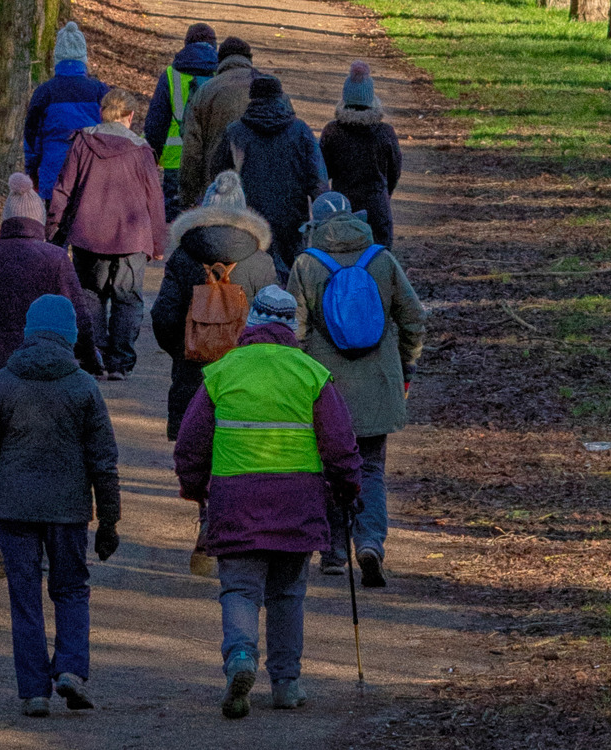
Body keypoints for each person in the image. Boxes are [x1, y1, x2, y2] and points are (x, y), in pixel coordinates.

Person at [173, 286, 362, 719]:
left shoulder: (223, 371)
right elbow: (339, 443)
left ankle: (241, 658)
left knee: (239, 588)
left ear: (252, 322)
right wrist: (348, 490)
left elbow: (191, 443)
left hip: (236, 500)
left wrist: (194, 487)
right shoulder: (311, 373)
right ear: (292, 326)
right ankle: (286, 685)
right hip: (298, 503)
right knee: (288, 593)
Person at [0, 294, 122, 718]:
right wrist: (108, 521)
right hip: (67, 512)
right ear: (70, 335)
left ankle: (34, 691)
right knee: (70, 590)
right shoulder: (84, 385)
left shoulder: (1, 383)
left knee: (25, 598)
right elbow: (103, 462)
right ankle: (70, 668)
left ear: (29, 333)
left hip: (11, 510)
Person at [286, 197, 425, 585]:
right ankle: (369, 543)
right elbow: (413, 318)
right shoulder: (381, 259)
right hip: (379, 384)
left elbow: (294, 331)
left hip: (325, 387)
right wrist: (405, 364)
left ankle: (332, 551)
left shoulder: (306, 264)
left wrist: (301, 379)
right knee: (371, 468)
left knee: (328, 468)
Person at [47, 88, 167, 381]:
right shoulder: (141, 150)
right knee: (127, 298)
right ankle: (120, 363)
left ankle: (95, 354)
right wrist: (158, 241)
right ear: (131, 116)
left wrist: (53, 228)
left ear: (102, 111)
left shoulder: (83, 142)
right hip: (132, 237)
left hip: (89, 234)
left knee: (90, 294)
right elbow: (155, 199)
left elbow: (64, 188)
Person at [151, 170, 276, 441]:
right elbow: (272, 323)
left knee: (194, 459)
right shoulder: (260, 261)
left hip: (193, 374)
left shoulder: (183, 257)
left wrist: (183, 349)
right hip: (245, 376)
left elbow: (163, 315)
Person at [0, 173, 101, 408]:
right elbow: (79, 316)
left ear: (5, 221)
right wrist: (88, 358)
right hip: (43, 366)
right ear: (39, 221)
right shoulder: (56, 259)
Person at [212, 76, 326, 284]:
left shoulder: (235, 132)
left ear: (252, 98)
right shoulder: (300, 131)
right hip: (291, 219)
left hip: (247, 218)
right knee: (290, 277)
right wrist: (322, 217)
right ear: (280, 96)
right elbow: (318, 178)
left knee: (248, 276)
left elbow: (218, 177)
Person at [319, 61, 402, 249]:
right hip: (376, 206)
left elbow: (324, 171)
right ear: (371, 100)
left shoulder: (332, 132)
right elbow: (394, 171)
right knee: (378, 259)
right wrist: (386, 192)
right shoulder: (385, 133)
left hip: (342, 206)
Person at [24, 22, 108, 202]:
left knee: (53, 226)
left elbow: (32, 139)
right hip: (92, 174)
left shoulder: (44, 92)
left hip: (53, 177)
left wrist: (31, 170)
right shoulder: (100, 91)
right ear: (83, 59)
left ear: (57, 59)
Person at [144, 22, 219, 222]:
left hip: (176, 160)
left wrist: (150, 158)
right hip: (213, 159)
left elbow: (156, 123)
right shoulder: (221, 74)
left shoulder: (171, 74)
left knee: (175, 222)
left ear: (186, 44)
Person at [179, 37, 256, 209]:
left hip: (216, 190)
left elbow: (192, 149)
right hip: (262, 191)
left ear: (220, 60)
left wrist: (188, 196)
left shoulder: (206, 91)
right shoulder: (268, 88)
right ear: (249, 59)